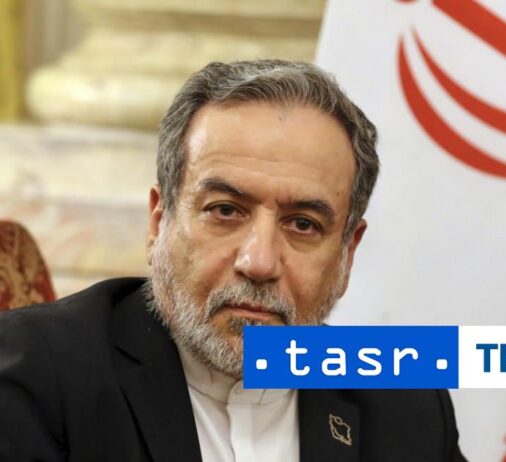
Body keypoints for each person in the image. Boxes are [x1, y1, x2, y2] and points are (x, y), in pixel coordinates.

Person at [0, 60, 466, 461]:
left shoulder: (404, 403)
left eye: (303, 224)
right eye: (225, 211)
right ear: (159, 222)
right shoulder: (34, 376)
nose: (259, 262)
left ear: (348, 253)